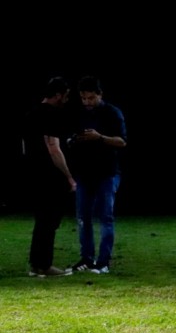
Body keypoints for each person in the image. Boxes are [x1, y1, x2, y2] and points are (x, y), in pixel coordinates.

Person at [67, 75, 127, 274]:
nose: (87, 102)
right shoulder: (79, 113)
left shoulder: (112, 113)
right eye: (84, 98)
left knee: (105, 217)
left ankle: (103, 262)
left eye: (91, 98)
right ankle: (86, 258)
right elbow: (70, 137)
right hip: (84, 174)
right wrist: (74, 140)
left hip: (107, 173)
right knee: (83, 218)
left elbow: (122, 141)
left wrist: (99, 137)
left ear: (100, 94)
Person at [22, 77, 76, 277]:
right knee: (49, 221)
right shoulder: (51, 115)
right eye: (66, 96)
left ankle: (36, 264)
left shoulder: (31, 114)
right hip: (49, 176)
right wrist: (69, 176)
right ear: (58, 95)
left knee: (42, 220)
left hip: (33, 174)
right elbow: (53, 147)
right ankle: (45, 265)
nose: (67, 100)